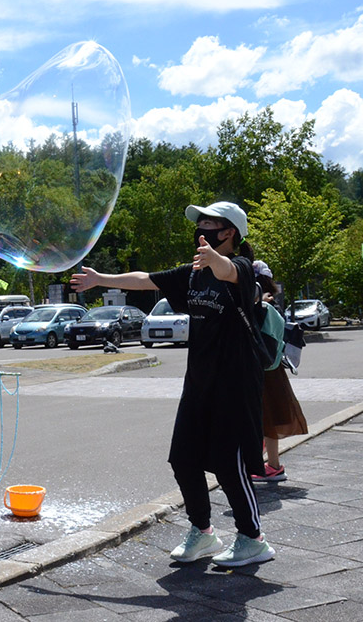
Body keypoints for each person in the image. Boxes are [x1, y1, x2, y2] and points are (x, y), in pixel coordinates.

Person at [71, 202, 275, 567]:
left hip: (235, 384)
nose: (201, 229)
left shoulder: (242, 269)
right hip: (199, 382)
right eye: (199, 224)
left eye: (209, 224)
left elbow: (230, 271)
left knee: (230, 464)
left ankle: (252, 538)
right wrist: (101, 279)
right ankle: (203, 533)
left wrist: (216, 259)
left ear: (229, 233)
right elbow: (146, 279)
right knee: (183, 458)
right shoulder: (193, 274)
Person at [252, 260, 308, 483]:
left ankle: (270, 465)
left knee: (263, 419)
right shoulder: (274, 307)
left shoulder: (262, 308)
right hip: (274, 370)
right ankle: (271, 464)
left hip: (260, 371)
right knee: (270, 420)